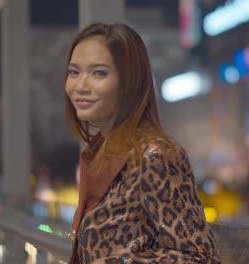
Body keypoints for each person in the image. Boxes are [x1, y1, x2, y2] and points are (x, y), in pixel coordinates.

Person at [64, 22, 221, 263]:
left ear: (129, 82)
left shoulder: (155, 155)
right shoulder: (96, 153)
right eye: (74, 72)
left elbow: (200, 257)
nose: (80, 86)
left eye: (99, 73)